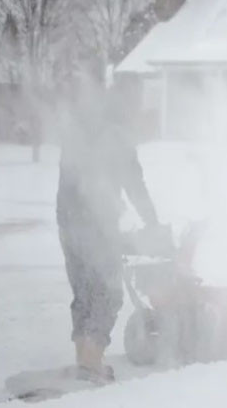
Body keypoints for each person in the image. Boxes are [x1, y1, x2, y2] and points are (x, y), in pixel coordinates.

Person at [56, 73, 160, 383]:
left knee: (84, 290)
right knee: (109, 290)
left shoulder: (83, 125)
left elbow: (71, 174)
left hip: (66, 220)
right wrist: (152, 223)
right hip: (95, 223)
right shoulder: (118, 134)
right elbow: (134, 185)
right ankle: (92, 363)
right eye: (138, 101)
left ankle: (83, 356)